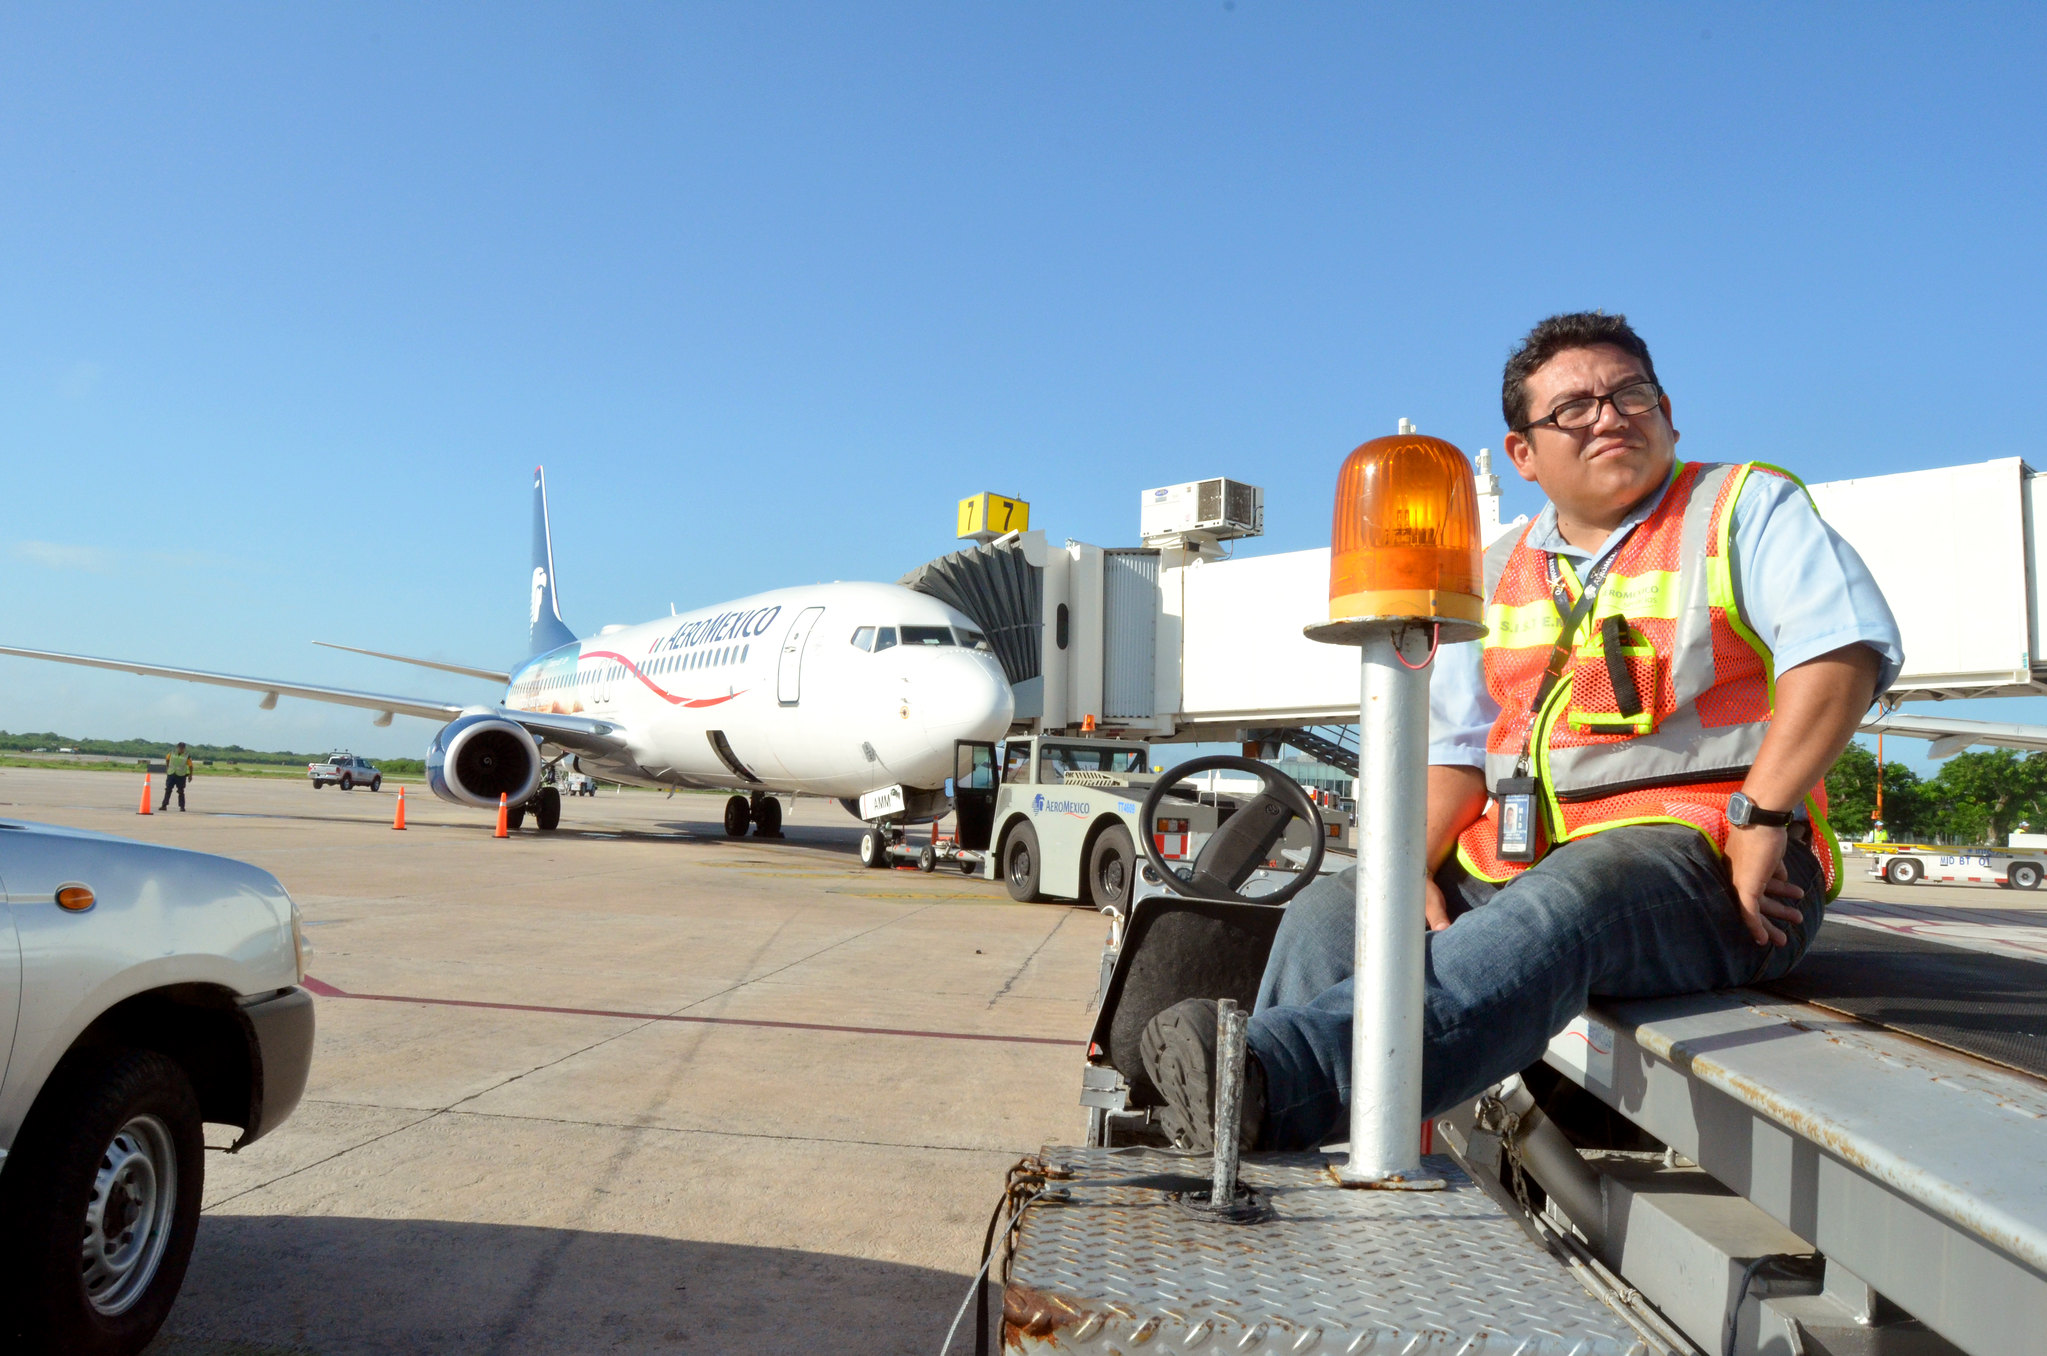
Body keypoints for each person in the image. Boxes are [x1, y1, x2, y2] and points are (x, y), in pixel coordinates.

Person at [1139, 311, 1904, 1152]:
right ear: (1522, 454)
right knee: (1341, 905)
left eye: (1630, 394)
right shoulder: (1497, 567)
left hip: (1721, 864)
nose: (1609, 416)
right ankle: (1268, 1141)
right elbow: (1459, 749)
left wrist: (1761, 816)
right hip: (1526, 862)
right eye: (1573, 408)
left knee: (1576, 894)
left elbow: (1840, 652)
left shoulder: (1740, 508)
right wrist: (1406, 870)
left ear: (1669, 412)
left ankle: (1277, 1083)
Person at [162, 742, 195, 812]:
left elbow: (190, 766)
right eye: (180, 748)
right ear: (177, 748)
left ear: (184, 749)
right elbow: (167, 759)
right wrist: (167, 767)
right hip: (171, 774)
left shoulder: (187, 756)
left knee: (181, 791)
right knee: (168, 790)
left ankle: (182, 807)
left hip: (181, 775)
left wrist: (190, 775)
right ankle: (164, 805)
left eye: (182, 748)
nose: (181, 749)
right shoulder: (172, 753)